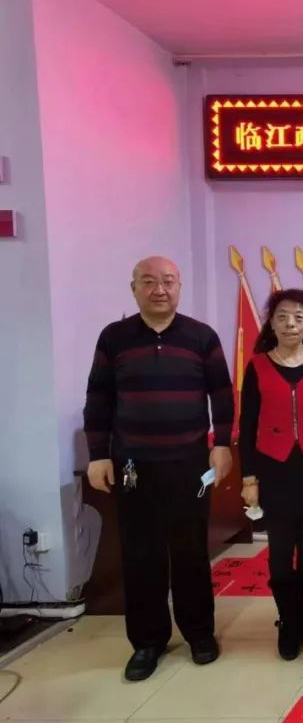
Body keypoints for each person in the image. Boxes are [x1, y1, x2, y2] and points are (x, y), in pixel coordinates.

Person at [83, 256, 234, 681]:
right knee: (141, 555)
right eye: (148, 282)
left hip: (190, 463)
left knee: (191, 552)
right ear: (133, 288)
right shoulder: (114, 338)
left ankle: (199, 633)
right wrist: (98, 454)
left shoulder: (201, 336)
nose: (159, 290)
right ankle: (147, 642)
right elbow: (98, 398)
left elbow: (222, 394)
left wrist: (223, 444)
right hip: (134, 465)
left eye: (167, 281)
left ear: (179, 286)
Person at [238, 288, 303, 660]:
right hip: (274, 468)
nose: (290, 323)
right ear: (272, 323)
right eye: (282, 316)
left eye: (298, 317)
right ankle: (288, 619)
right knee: (281, 549)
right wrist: (249, 479)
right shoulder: (257, 366)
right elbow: (247, 426)